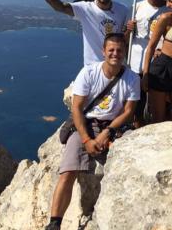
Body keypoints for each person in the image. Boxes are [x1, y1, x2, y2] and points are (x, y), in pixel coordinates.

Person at [44, 33, 139, 230]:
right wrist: (87, 139)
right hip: (86, 125)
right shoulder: (89, 73)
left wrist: (108, 132)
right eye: (111, 50)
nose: (115, 54)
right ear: (103, 51)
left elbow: (129, 112)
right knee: (68, 171)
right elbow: (77, 107)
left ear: (125, 52)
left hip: (113, 127)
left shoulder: (131, 78)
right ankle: (55, 223)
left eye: (119, 50)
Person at [24, 0, 130, 66]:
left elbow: (126, 39)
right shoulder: (85, 8)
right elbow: (60, 7)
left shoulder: (123, 10)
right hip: (92, 70)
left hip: (117, 68)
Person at [126, 0, 168, 127]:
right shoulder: (136, 7)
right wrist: (128, 29)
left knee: (159, 107)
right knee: (138, 107)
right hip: (137, 63)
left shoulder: (168, 8)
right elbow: (124, 38)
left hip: (160, 64)